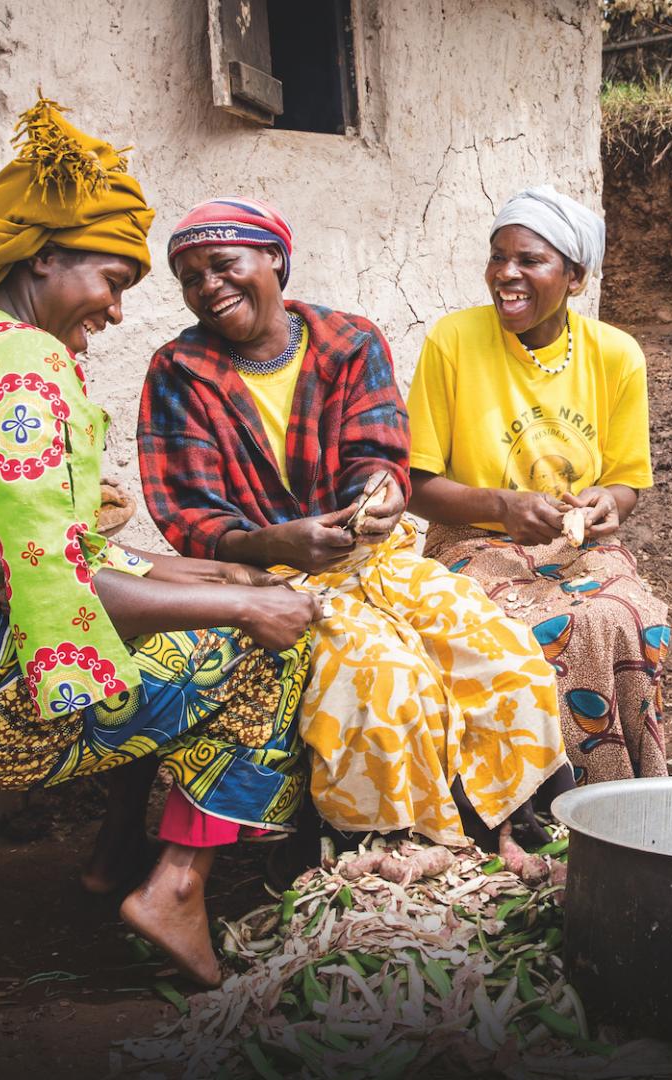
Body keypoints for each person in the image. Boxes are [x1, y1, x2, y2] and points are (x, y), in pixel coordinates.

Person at [0, 101, 319, 986]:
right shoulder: (22, 364)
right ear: (44, 258)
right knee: (264, 654)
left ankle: (113, 852)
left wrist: (204, 567)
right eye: (110, 278)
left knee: (191, 610)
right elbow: (60, 587)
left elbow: (31, 546)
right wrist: (246, 600)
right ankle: (175, 886)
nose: (120, 311)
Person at [138, 197, 569, 853]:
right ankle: (389, 858)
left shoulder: (350, 342)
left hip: (376, 564)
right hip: (268, 581)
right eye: (192, 278)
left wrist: (379, 494)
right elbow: (190, 515)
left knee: (504, 658)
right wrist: (274, 542)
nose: (209, 288)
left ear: (273, 260)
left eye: (224, 265)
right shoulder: (180, 372)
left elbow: (380, 454)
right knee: (383, 677)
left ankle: (506, 837)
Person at [406, 186, 672, 783]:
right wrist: (500, 506)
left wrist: (609, 505)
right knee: (524, 629)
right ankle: (522, 793)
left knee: (625, 617)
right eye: (498, 257)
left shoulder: (616, 355)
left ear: (575, 277)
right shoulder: (453, 341)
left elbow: (626, 483)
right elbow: (415, 482)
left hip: (576, 545)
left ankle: (615, 784)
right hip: (467, 539)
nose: (507, 274)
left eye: (530, 260)